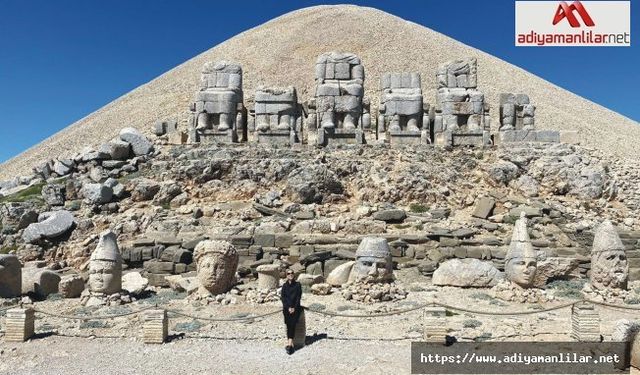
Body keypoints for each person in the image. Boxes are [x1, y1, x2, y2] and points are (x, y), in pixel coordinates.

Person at [280, 269, 302, 355]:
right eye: (288, 273)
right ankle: (291, 344)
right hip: (286, 309)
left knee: (292, 325)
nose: (290, 274)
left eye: (292, 273)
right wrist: (288, 307)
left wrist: (294, 308)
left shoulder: (297, 285)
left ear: (294, 274)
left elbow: (298, 297)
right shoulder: (284, 286)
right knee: (289, 325)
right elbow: (283, 298)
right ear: (286, 275)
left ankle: (289, 344)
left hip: (295, 308)